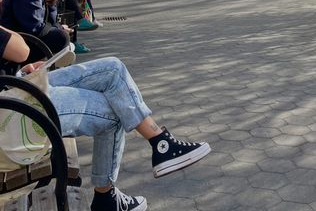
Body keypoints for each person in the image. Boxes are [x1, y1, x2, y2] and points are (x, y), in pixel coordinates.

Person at [0, 27, 211, 211]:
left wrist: (21, 70)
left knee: (113, 69)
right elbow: (21, 49)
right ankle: (107, 195)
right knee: (114, 111)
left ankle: (160, 143)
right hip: (11, 114)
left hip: (15, 90)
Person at [0, 0, 74, 57]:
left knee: (61, 36)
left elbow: (51, 22)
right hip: (17, 39)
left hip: (23, 35)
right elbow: (35, 27)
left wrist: (51, 5)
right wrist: (60, 29)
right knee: (62, 38)